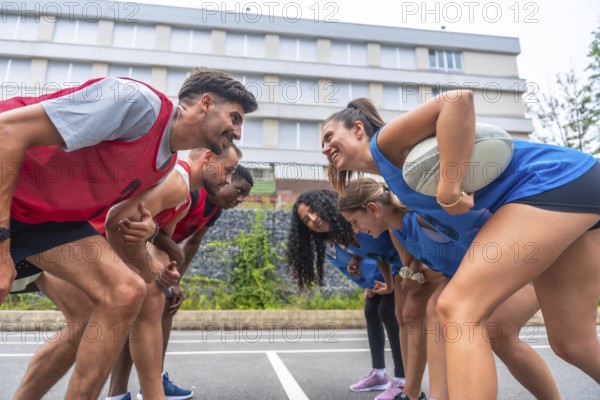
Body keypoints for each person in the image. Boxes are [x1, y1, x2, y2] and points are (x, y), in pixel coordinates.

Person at [2, 67, 257, 399]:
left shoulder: (164, 164)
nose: (237, 132)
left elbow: (117, 227)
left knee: (126, 291)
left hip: (45, 220)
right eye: (235, 118)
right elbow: (7, 131)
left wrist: (152, 257)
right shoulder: (138, 104)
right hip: (10, 188)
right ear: (206, 104)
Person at [13, 144, 242, 400]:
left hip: (92, 248)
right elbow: (118, 223)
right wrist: (149, 268)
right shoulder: (175, 181)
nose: (229, 179)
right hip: (67, 242)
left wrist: (165, 269)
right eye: (229, 170)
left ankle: (136, 394)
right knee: (99, 315)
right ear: (208, 159)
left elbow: (156, 241)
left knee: (141, 300)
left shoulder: (185, 199)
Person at [338, 178, 564, 400]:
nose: (356, 230)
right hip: (479, 276)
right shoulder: (397, 231)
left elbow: (488, 230)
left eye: (354, 222)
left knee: (499, 332)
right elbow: (418, 262)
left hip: (522, 265)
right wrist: (412, 273)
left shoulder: (426, 217)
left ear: (373, 209)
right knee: (439, 308)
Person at [107, 163, 254, 400]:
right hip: (139, 248)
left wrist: (177, 279)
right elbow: (150, 227)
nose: (241, 198)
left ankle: (151, 382)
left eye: (245, 195)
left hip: (161, 254)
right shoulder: (192, 193)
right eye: (239, 190)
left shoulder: (214, 209)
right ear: (225, 180)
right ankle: (128, 390)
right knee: (149, 304)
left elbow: (193, 242)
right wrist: (172, 260)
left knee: (162, 304)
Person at [286, 189, 406, 400]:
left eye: (314, 211)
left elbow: (386, 246)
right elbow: (372, 252)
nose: (313, 219)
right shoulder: (339, 233)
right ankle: (379, 374)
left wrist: (393, 282)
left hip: (404, 264)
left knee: (387, 311)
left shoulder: (352, 223)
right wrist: (363, 269)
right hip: (387, 270)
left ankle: (403, 381)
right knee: (371, 310)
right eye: (306, 219)